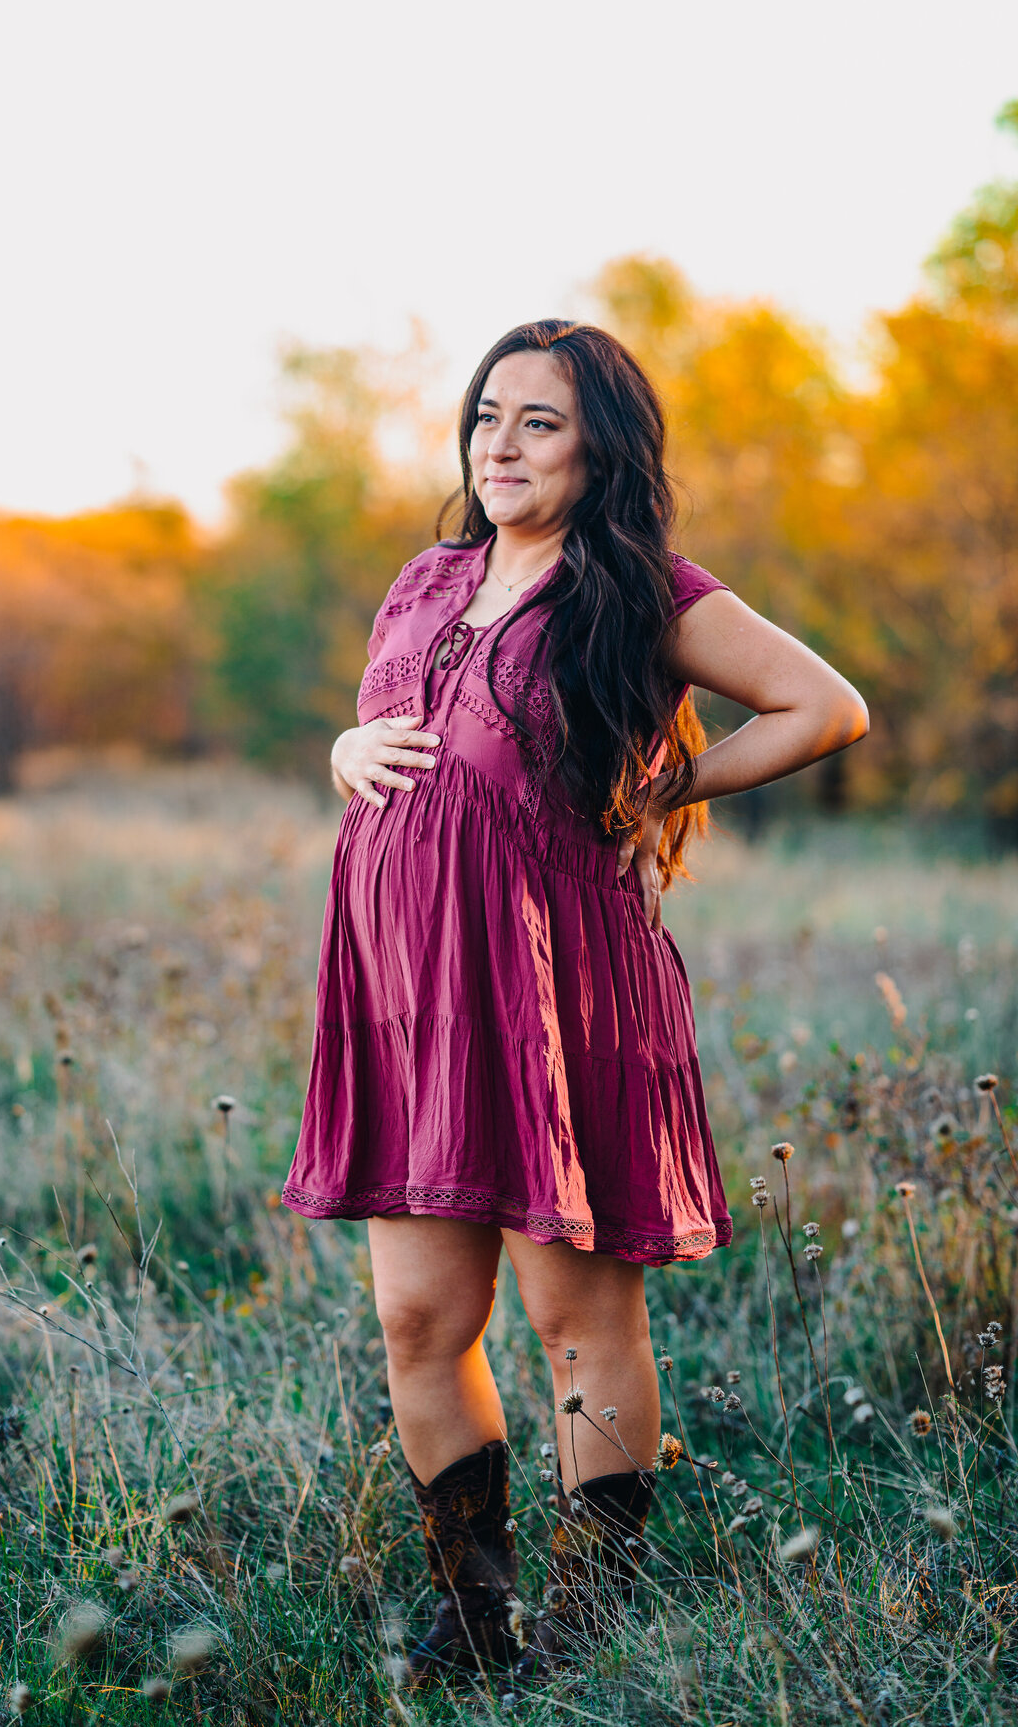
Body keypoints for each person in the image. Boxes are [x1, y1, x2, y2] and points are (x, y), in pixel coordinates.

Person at [281, 319, 868, 1689]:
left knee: (574, 1317)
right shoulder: (425, 581)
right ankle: (474, 1608)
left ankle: (595, 1605)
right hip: (409, 996)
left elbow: (823, 707)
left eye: (539, 421)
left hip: (559, 992)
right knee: (421, 1322)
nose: (502, 443)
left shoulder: (640, 590)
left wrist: (668, 787)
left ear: (601, 444)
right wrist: (340, 744)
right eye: (489, 415)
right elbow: (390, 732)